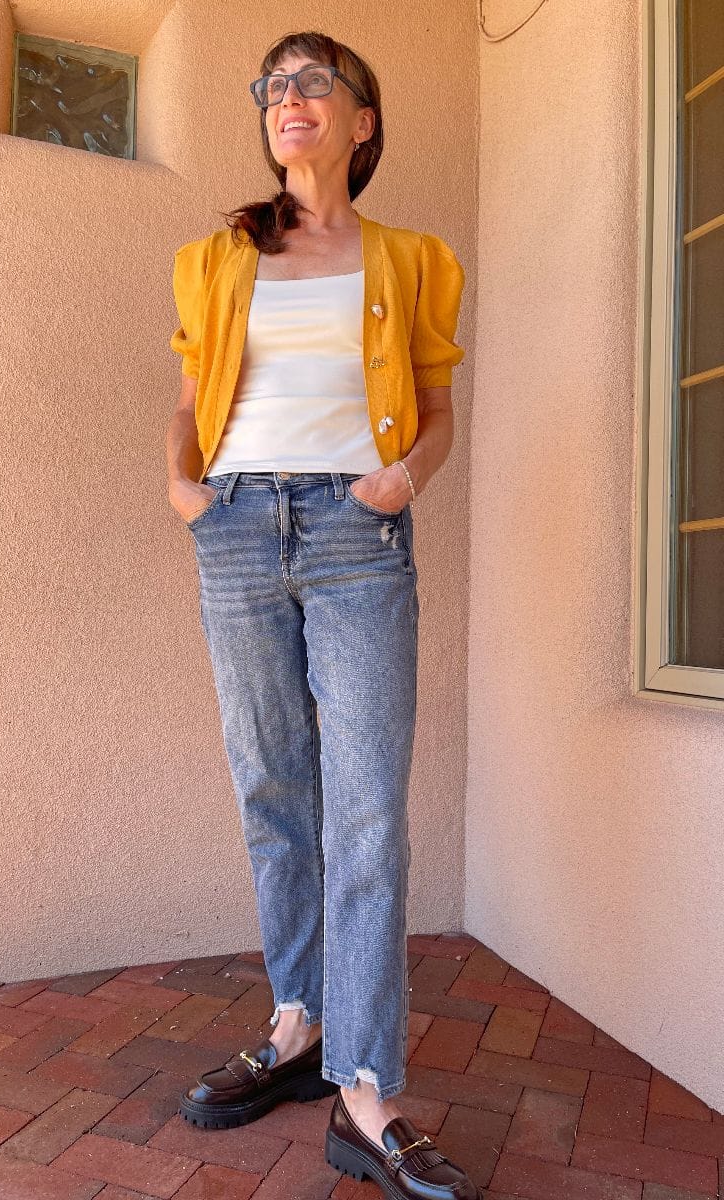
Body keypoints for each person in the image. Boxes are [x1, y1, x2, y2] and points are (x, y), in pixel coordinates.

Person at [165, 29, 481, 1200]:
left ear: (360, 120)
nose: (286, 98)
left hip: (359, 535)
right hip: (238, 528)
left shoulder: (412, 258)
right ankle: (296, 1025)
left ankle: (365, 1092)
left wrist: (404, 480)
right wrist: (182, 491)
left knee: (365, 812)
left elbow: (435, 407)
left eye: (312, 83)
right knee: (271, 790)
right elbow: (192, 398)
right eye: (272, 85)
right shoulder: (215, 255)